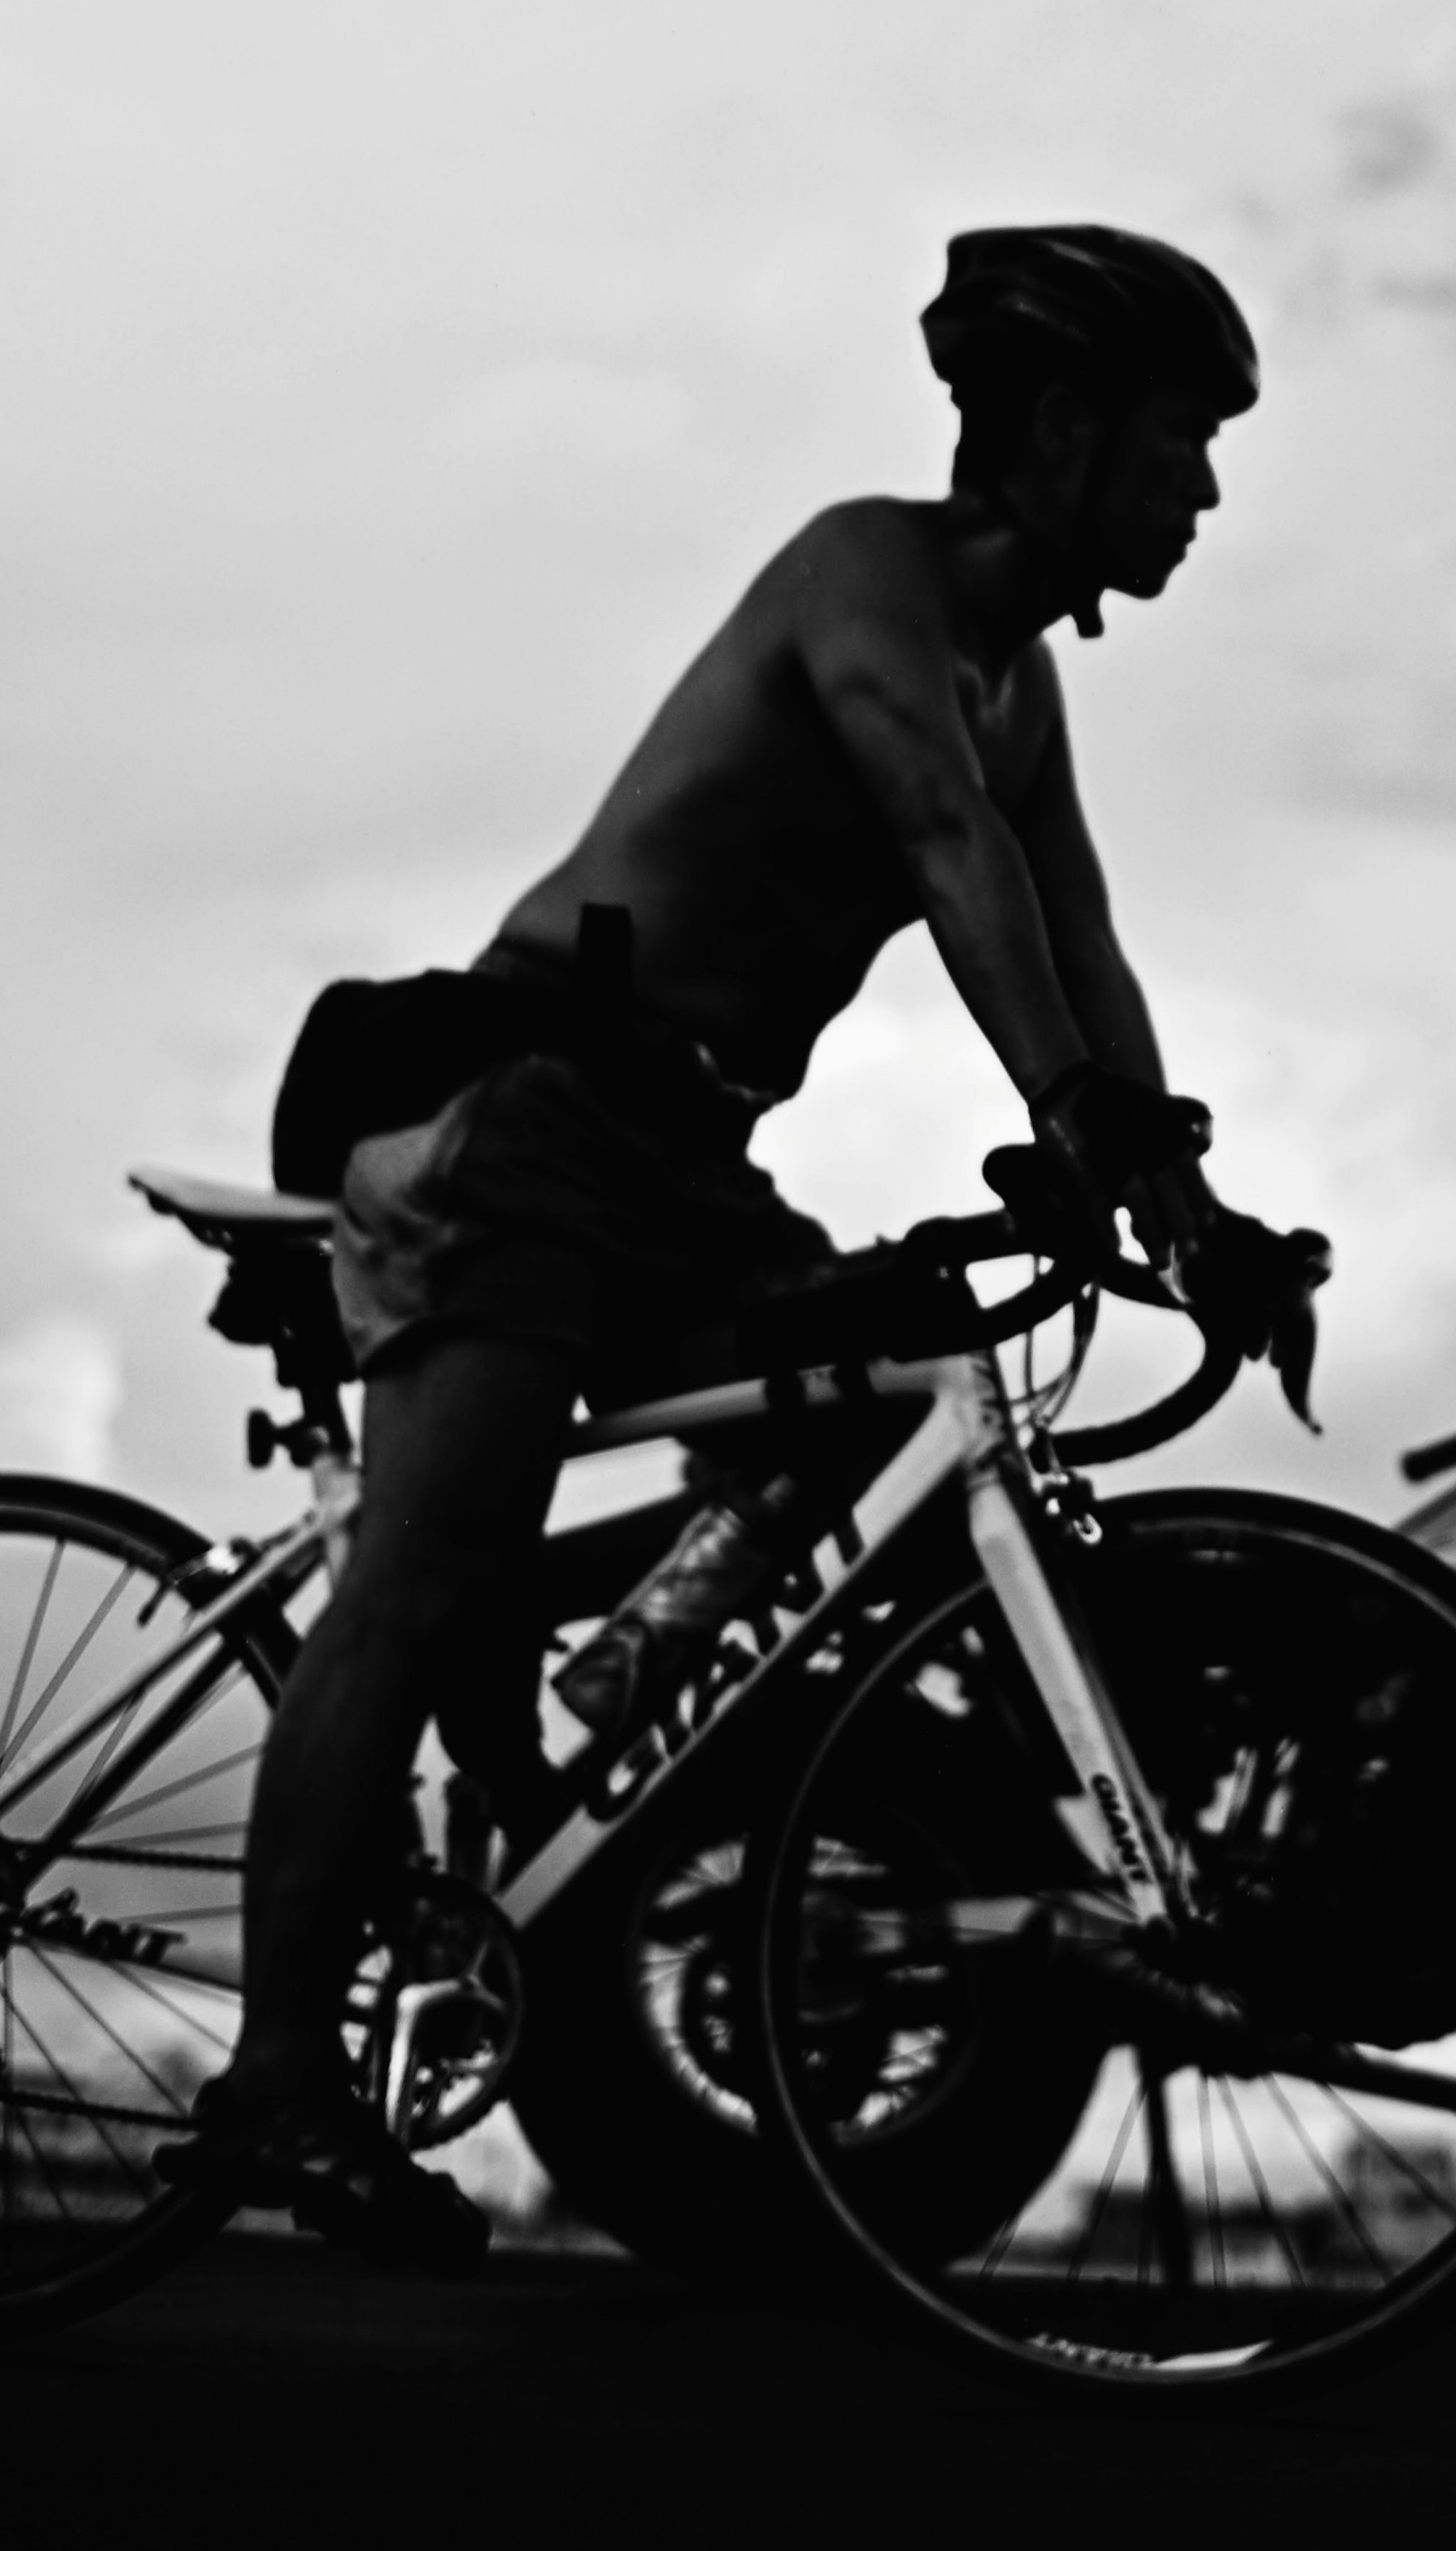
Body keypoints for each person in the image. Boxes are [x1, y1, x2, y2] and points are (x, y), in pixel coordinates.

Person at [175, 224, 1275, 2266]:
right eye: (1182, 442)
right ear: (1053, 429)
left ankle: (574, 1717)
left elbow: (1084, 944)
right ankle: (272, 2093)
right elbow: (951, 856)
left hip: (683, 1168)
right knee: (412, 1594)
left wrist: (1195, 1213)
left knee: (891, 1383)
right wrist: (1083, 1128)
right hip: (528, 1118)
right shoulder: (865, 575)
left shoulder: (1019, 689)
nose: (1203, 493)